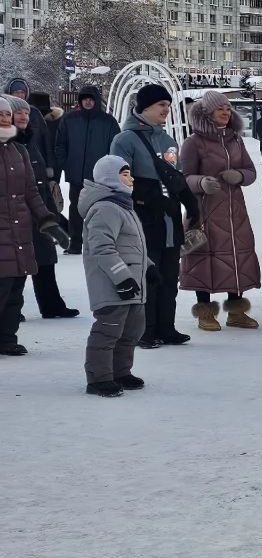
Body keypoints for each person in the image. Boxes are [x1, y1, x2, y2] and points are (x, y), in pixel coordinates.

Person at [108, 84, 196, 347]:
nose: (166, 110)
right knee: (147, 275)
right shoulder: (124, 140)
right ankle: (144, 331)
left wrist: (190, 203)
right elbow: (119, 180)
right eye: (161, 105)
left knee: (169, 276)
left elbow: (176, 176)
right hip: (143, 221)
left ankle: (166, 327)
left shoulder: (168, 141)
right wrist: (149, 197)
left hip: (170, 220)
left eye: (168, 105)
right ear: (145, 107)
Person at [180, 91, 261, 332]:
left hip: (234, 210)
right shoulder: (193, 142)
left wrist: (239, 176)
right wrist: (201, 182)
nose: (225, 112)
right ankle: (205, 313)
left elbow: (251, 171)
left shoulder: (235, 139)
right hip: (204, 210)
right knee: (203, 259)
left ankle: (236, 311)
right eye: (219, 109)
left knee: (236, 256)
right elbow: (184, 178)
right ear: (207, 113)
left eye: (227, 108)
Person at [0, 98, 70, 356]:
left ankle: (7, 338)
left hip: (20, 231)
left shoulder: (19, 151)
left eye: (7, 115)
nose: (5, 119)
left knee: (15, 289)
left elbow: (31, 193)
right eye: (0, 115)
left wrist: (49, 222)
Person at [79, 155, 148, 397]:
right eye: (124, 174)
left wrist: (149, 268)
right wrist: (122, 278)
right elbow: (102, 248)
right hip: (112, 283)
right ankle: (99, 379)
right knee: (108, 330)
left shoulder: (123, 207)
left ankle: (121, 372)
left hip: (132, 283)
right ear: (110, 177)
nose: (131, 179)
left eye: (130, 174)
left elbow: (133, 247)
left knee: (131, 330)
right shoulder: (105, 208)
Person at [53, 86, 121, 254]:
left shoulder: (108, 122)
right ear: (80, 100)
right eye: (85, 99)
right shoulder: (69, 120)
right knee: (76, 209)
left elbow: (116, 148)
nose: (88, 102)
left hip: (100, 178)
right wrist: (66, 164)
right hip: (76, 174)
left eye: (91, 99)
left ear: (96, 100)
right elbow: (60, 144)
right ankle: (76, 243)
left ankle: (100, 244)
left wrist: (110, 171)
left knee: (99, 211)